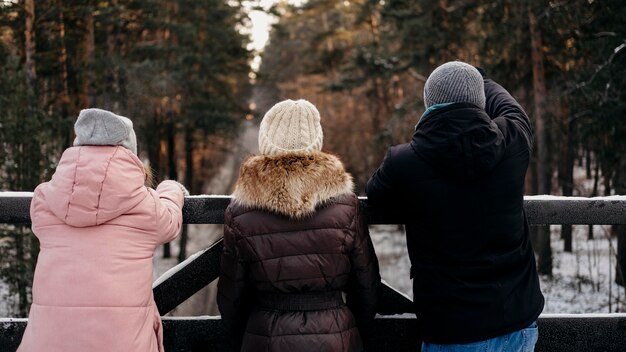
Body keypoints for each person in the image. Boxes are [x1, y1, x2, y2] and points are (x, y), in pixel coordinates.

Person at [366, 61, 544, 351]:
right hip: (516, 322)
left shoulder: (404, 162)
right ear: (480, 101)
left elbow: (375, 192)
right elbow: (512, 108)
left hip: (450, 330)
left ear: (429, 104)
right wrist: (480, 79)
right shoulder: (512, 141)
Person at [18, 108, 187, 352]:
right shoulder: (144, 204)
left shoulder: (45, 198)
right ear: (129, 152)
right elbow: (171, 223)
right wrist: (171, 188)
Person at [217, 99, 380, 352]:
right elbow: (366, 285)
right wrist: (353, 330)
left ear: (266, 141)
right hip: (335, 337)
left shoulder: (240, 212)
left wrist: (244, 336)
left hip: (265, 336)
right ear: (316, 142)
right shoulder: (347, 206)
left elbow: (231, 295)